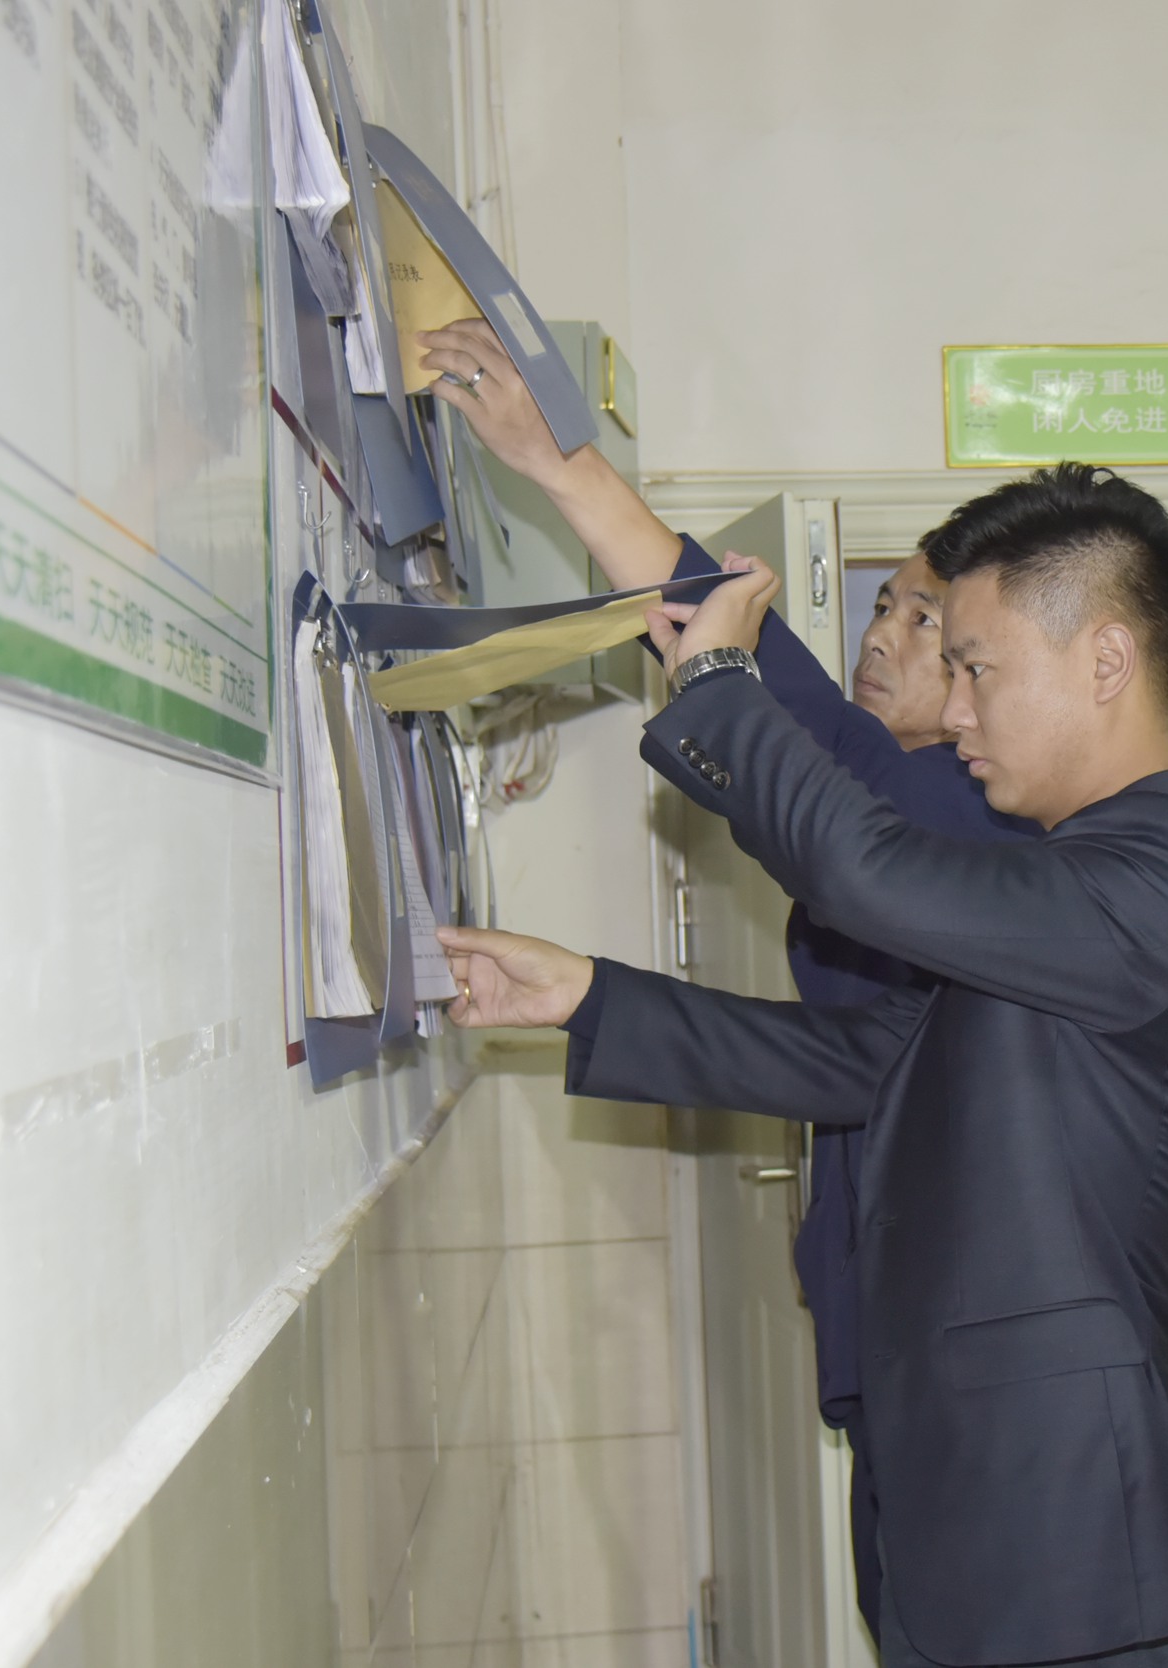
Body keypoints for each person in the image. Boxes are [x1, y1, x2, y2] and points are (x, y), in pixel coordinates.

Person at [440, 463, 1168, 1668]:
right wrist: (584, 996)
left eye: (976, 669)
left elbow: (864, 870)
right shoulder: (1070, 880)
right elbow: (864, 1060)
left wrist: (719, 682)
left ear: (1104, 660)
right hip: (974, 1501)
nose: (957, 712)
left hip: (1066, 1533)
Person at [417, 320, 1036, 1632]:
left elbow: (758, 688)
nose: (886, 635)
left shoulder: (966, 817)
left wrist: (564, 464)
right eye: (886, 602)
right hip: (903, 1333)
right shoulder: (916, 800)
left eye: (932, 622)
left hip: (967, 1369)